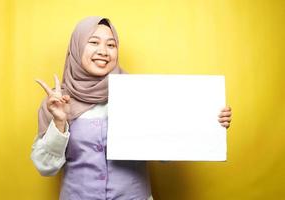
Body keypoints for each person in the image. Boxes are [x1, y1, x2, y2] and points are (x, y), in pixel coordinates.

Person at [31, 16, 232, 200]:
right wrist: (59, 122)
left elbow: (166, 153)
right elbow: (45, 167)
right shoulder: (57, 102)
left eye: (111, 44)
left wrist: (210, 121)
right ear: (76, 47)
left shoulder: (138, 93)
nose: (103, 51)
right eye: (93, 42)